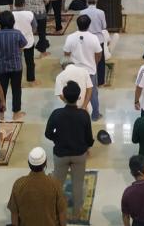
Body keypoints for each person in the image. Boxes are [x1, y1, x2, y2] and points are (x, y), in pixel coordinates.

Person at [45, 81, 94, 221]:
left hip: (60, 154)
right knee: (77, 183)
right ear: (79, 97)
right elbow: (89, 138)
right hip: (79, 154)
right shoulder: (84, 115)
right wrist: (86, 146)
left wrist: (57, 139)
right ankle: (76, 213)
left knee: (57, 183)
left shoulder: (56, 114)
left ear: (64, 97)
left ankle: (56, 210)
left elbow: (48, 133)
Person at [0, 11, 27, 121]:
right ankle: (16, 112)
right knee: (16, 89)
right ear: (13, 22)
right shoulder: (17, 33)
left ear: (0, 22)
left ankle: (0, 113)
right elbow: (23, 46)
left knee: (1, 90)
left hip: (1, 66)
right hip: (16, 66)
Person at [65, 14, 103, 120]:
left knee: (75, 93)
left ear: (77, 25)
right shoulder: (94, 38)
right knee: (93, 93)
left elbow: (66, 53)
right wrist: (94, 62)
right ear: (89, 25)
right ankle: (95, 115)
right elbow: (99, 54)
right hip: (90, 71)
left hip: (75, 71)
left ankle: (75, 115)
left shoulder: (70, 37)